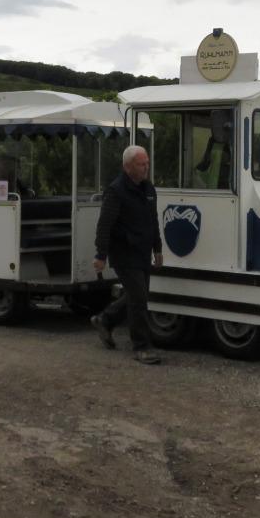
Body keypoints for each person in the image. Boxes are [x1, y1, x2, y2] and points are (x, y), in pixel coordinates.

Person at [91, 144, 164, 364]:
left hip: (142, 253)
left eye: (147, 163)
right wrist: (100, 255)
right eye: (142, 164)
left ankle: (105, 320)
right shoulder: (116, 191)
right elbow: (105, 224)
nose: (146, 168)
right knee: (139, 298)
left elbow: (153, 221)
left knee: (136, 296)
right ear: (128, 167)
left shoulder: (149, 189)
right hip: (124, 253)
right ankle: (142, 347)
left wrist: (158, 248)